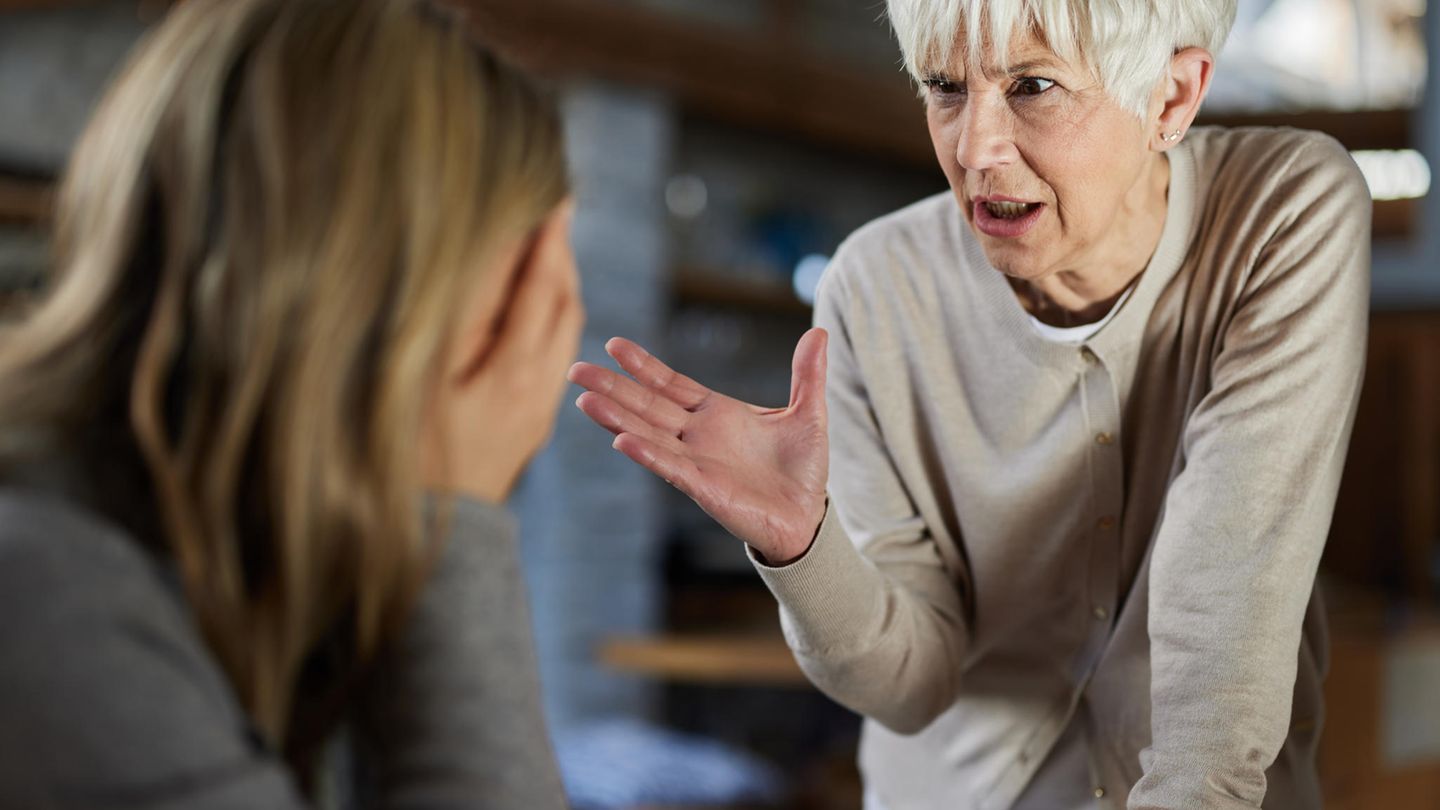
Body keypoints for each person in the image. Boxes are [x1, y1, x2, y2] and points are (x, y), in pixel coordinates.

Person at [568, 0, 1370, 807]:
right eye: (946, 88)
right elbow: (910, 684)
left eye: (1032, 86)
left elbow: (1227, 591)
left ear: (1170, 97)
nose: (972, 147)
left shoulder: (1282, 211)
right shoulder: (873, 288)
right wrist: (804, 549)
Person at [0, 0, 581, 807]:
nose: (537, 357)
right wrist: (457, 524)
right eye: (522, 296)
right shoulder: (44, 598)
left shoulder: (210, 554)